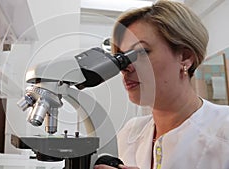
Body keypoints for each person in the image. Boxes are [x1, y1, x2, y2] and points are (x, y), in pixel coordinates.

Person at [94, 0, 229, 169]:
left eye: (140, 52)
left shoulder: (224, 129)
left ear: (185, 57)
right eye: (121, 57)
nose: (125, 68)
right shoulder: (130, 133)